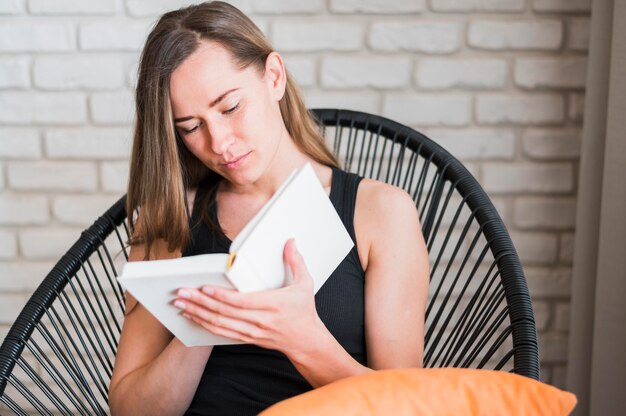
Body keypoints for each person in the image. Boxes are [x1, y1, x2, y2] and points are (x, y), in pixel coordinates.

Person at [108, 2, 429, 415]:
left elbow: (408, 407)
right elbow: (129, 410)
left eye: (230, 108)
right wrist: (204, 327)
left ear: (273, 77)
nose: (219, 142)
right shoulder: (170, 218)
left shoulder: (380, 213)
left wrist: (302, 338)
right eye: (190, 127)